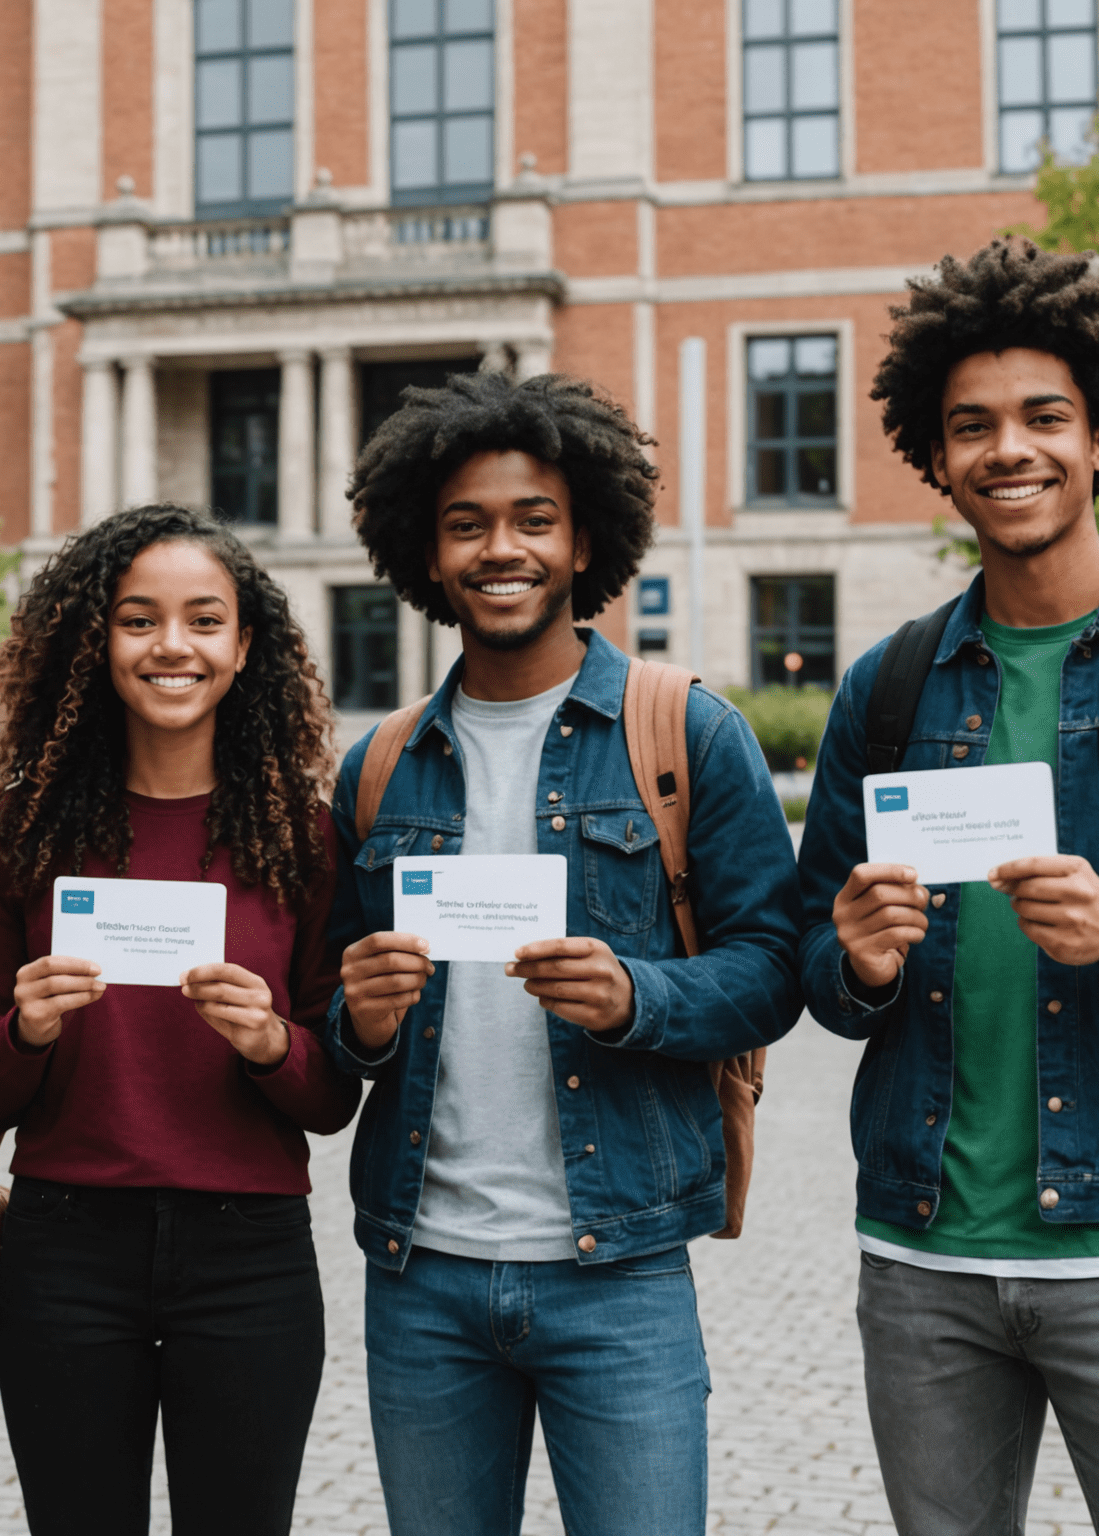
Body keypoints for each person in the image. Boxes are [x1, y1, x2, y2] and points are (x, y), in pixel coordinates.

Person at [324, 369, 803, 1535]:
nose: (503, 549)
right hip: (421, 1274)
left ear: (584, 535)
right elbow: (335, 1031)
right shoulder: (380, 765)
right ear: (425, 554)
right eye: (467, 524)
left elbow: (777, 967)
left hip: (622, 1273)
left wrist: (637, 994)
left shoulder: (683, 727)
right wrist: (362, 1020)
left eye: (533, 519)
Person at [798, 238, 1099, 1532]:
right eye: (973, 428)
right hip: (925, 1256)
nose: (1009, 450)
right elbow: (817, 978)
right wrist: (857, 959)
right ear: (936, 458)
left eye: (1044, 418)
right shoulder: (890, 689)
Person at [0, 504, 359, 1536]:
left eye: (202, 620)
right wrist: (29, 1029)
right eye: (138, 620)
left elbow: (331, 1096)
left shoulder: (302, 836)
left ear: (244, 645)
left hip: (249, 1255)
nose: (171, 646)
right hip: (65, 1248)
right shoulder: (24, 830)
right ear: (97, 642)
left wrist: (272, 1043)